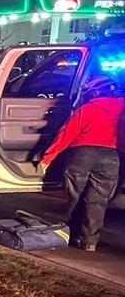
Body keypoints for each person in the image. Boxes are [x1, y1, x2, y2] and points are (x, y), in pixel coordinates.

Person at [38, 76, 125, 252]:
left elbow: (66, 135)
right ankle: (89, 242)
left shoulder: (87, 109)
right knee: (97, 201)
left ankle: (71, 235)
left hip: (81, 156)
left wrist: (47, 158)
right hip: (111, 158)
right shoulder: (121, 108)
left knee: (75, 197)